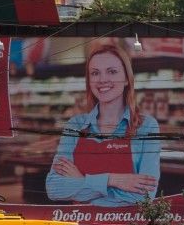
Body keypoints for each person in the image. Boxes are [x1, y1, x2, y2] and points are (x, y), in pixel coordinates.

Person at [46, 40, 160, 206]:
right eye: (95, 73)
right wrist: (113, 180)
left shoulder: (146, 126)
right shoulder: (75, 125)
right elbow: (54, 188)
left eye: (112, 71)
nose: (102, 80)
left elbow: (144, 196)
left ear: (127, 79)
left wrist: (81, 180)